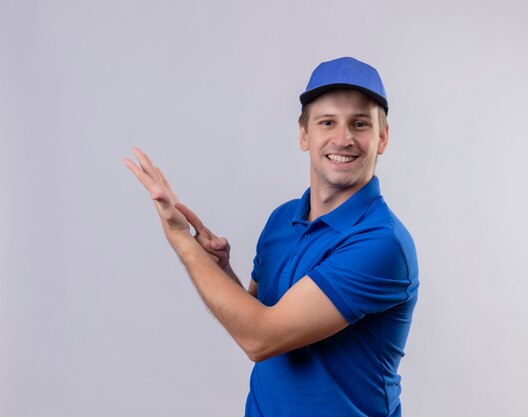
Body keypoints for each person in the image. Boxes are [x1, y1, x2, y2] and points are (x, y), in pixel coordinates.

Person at [123, 57, 419, 417]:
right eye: (327, 122)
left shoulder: (382, 243)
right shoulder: (282, 220)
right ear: (304, 135)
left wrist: (180, 239)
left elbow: (260, 338)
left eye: (359, 124)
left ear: (382, 138)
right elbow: (259, 314)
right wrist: (220, 270)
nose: (343, 139)